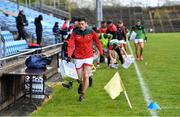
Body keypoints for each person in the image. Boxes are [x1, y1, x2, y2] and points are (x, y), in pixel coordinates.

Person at [67, 16, 103, 101]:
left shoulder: (91, 32)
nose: (81, 26)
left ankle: (82, 95)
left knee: (86, 76)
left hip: (88, 56)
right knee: (79, 78)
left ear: (86, 24)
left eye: (82, 24)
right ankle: (81, 83)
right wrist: (69, 55)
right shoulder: (74, 33)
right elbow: (71, 45)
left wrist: (101, 53)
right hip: (78, 57)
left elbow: (97, 42)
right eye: (79, 24)